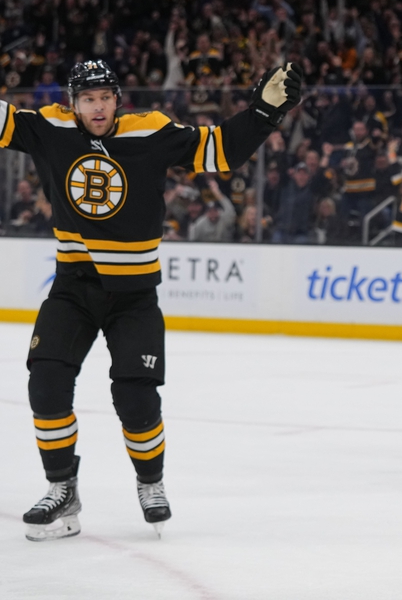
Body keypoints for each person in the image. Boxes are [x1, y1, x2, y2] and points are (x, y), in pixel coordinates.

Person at [8, 59, 301, 541]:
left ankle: (151, 483)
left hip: (134, 296)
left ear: (117, 99)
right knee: (46, 383)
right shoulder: (50, 127)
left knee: (135, 397)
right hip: (73, 288)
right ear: (73, 103)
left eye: (104, 97)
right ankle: (62, 487)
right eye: (87, 99)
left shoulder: (152, 132)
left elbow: (221, 153)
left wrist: (264, 113)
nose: (97, 107)